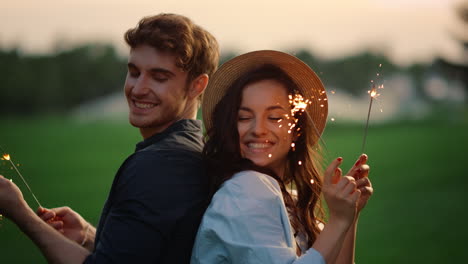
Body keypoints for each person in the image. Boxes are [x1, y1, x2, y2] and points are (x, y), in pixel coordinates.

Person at [0, 13, 219, 263]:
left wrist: (20, 213)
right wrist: (89, 236)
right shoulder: (194, 148)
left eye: (159, 77)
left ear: (197, 86)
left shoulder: (158, 164)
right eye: (134, 72)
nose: (137, 89)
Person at [190, 50, 373, 264]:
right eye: (244, 117)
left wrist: (349, 215)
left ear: (296, 128)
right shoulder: (246, 188)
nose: (258, 129)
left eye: (274, 117)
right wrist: (339, 220)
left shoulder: (290, 200)